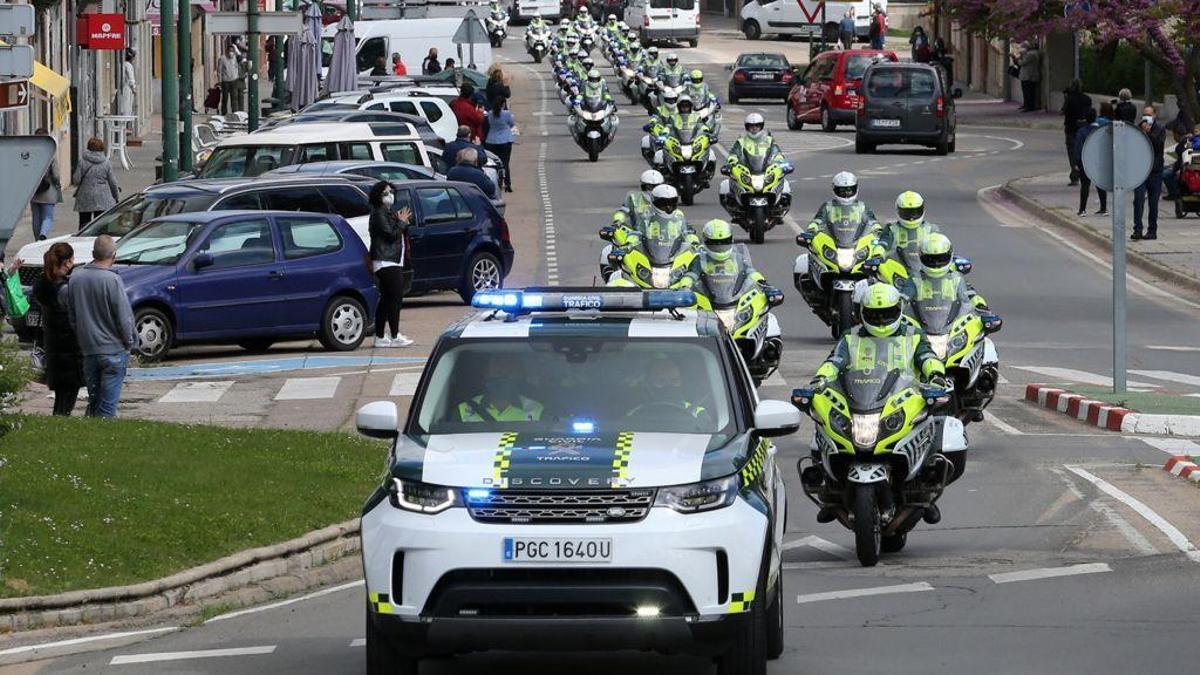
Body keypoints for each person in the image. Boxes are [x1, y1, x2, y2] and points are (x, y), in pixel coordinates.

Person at [809, 283, 946, 389]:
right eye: (874, 315)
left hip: (906, 398)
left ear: (898, 309)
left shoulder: (913, 335)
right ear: (862, 312)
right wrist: (821, 378)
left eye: (887, 313)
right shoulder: (850, 337)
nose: (881, 321)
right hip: (860, 397)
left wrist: (936, 374)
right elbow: (834, 361)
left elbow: (927, 357)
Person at [67, 235, 134, 419]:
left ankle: (91, 436)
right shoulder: (112, 280)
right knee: (108, 407)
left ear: (92, 253)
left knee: (94, 402)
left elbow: (72, 316)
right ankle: (105, 438)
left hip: (89, 349)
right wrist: (129, 342)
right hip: (113, 349)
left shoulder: (76, 278)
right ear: (114, 255)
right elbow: (124, 317)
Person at [31, 243, 83, 416]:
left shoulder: (42, 283)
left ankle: (58, 423)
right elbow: (74, 318)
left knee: (61, 398)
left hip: (53, 347)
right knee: (67, 399)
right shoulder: (63, 289)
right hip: (68, 350)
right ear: (67, 262)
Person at [368, 181, 414, 348]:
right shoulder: (379, 213)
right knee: (395, 298)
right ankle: (395, 335)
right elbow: (390, 235)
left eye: (391, 192)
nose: (390, 195)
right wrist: (401, 222)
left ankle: (380, 336)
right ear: (379, 196)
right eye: (386, 193)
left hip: (392, 260)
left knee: (387, 299)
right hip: (385, 261)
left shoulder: (387, 212)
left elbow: (398, 232)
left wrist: (402, 221)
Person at [457, 359, 543, 422]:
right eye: (499, 373)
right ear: (485, 375)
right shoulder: (463, 409)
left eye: (509, 374)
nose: (503, 380)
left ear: (520, 375)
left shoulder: (537, 410)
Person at [876, 190, 941, 273]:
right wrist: (877, 255)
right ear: (898, 210)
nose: (911, 217)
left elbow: (939, 250)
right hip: (895, 271)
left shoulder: (931, 229)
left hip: (924, 272)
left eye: (915, 212)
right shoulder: (891, 229)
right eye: (907, 213)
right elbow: (882, 244)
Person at [1133, 111, 1166, 240]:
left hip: (1155, 171)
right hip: (1141, 171)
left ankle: (1152, 230)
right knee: (1138, 200)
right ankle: (1137, 229)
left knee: (1153, 202)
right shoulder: (1138, 129)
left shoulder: (1160, 130)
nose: (1147, 118)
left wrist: (1149, 133)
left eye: (1149, 114)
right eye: (1145, 115)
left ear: (1154, 116)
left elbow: (1158, 147)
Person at [72, 137, 119, 228]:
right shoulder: (106, 163)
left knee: (84, 223)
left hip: (85, 196)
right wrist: (116, 196)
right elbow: (113, 182)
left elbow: (76, 180)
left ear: (88, 148)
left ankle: (83, 240)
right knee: (100, 225)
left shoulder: (82, 162)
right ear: (102, 148)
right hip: (103, 197)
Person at [1074, 106, 1109, 216]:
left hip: (1086, 161)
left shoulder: (1082, 131)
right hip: (1099, 161)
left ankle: (1082, 209)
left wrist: (1076, 162)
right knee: (1100, 184)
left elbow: (1078, 148)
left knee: (1085, 185)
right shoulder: (1100, 130)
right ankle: (1103, 208)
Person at [30, 128, 62, 241]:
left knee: (36, 217)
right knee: (48, 216)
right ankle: (43, 235)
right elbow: (56, 174)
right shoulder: (50, 153)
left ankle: (36, 239)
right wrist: (58, 184)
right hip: (48, 190)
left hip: (33, 190)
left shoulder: (30, 153)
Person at [1061, 79, 1093, 185]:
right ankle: (1084, 173)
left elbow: (1063, 111)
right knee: (1083, 151)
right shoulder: (1087, 99)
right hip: (1084, 127)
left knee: (1072, 152)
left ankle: (1075, 175)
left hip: (1071, 128)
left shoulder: (1069, 99)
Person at [612, 169, 665, 233]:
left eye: (656, 187)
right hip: (637, 236)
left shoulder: (667, 199)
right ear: (642, 186)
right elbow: (623, 211)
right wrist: (617, 220)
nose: (653, 190)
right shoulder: (633, 198)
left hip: (662, 236)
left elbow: (675, 215)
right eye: (649, 187)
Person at [483, 96, 516, 193]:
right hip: (505, 140)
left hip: (491, 140)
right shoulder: (506, 114)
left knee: (494, 163)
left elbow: (489, 123)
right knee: (505, 162)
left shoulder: (490, 114)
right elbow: (512, 124)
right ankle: (507, 184)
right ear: (503, 104)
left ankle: (497, 181)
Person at [217, 42, 242, 114]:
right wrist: (220, 81)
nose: (231, 53)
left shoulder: (235, 57)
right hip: (225, 81)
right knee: (225, 98)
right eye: (229, 51)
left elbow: (241, 60)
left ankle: (235, 113)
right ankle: (224, 113)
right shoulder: (222, 58)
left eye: (232, 51)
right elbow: (219, 70)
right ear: (226, 51)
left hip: (234, 80)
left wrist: (237, 51)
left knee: (234, 98)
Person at [1016, 40, 1040, 112]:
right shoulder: (1032, 54)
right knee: (1027, 92)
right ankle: (1027, 105)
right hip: (1028, 75)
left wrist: (1019, 58)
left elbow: (1022, 63)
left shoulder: (1031, 54)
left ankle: (1029, 106)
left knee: (1028, 92)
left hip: (1029, 76)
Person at [119, 48, 137, 121]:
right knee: (127, 107)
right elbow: (131, 78)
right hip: (127, 88)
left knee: (125, 107)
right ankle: (124, 125)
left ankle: (124, 125)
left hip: (125, 87)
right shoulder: (128, 65)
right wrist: (133, 89)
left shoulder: (123, 64)